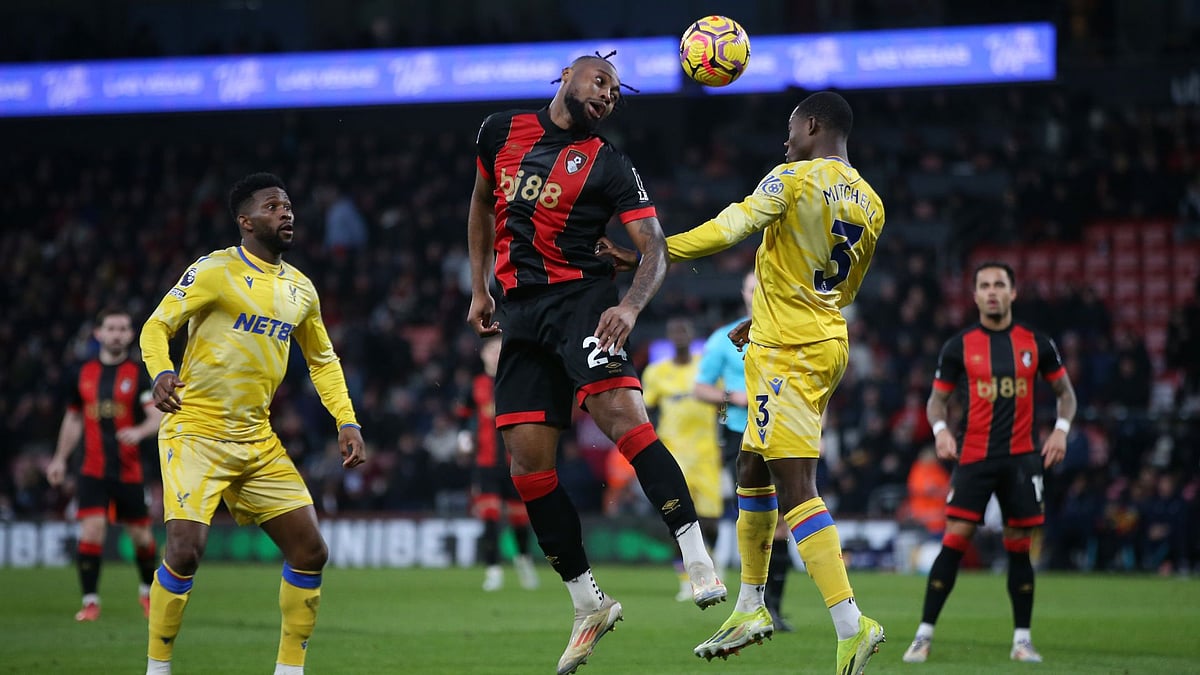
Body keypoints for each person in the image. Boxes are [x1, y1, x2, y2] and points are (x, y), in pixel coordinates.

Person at [599, 90, 887, 673]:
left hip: (790, 355)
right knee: (750, 466)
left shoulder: (793, 178)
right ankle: (752, 604)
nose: (785, 140)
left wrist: (653, 256)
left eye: (790, 129)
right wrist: (763, 318)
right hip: (816, 341)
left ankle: (852, 624)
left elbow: (734, 225)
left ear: (811, 125)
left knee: (796, 485)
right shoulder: (873, 203)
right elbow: (836, 292)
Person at [465, 53, 725, 675]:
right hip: (520, 317)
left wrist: (632, 308)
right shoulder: (499, 131)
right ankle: (587, 604)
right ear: (565, 78)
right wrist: (479, 289)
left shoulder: (610, 163)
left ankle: (696, 559)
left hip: (582, 302)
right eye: (600, 81)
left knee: (626, 423)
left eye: (616, 90)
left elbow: (654, 249)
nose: (608, 94)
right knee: (528, 468)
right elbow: (480, 205)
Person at [139, 172, 367, 675]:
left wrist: (345, 421)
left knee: (310, 551)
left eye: (287, 205)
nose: (286, 213)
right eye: (272, 207)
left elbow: (323, 360)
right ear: (246, 221)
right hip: (195, 429)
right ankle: (157, 669)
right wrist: (161, 370)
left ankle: (289, 671)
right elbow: (157, 326)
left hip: (256, 438)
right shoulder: (215, 271)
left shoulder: (300, 289)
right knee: (186, 550)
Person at [901, 261, 1077, 665]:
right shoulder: (959, 346)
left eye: (1000, 284)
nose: (993, 291)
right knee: (954, 539)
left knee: (1019, 548)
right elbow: (935, 400)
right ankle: (923, 635)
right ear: (975, 295)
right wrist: (941, 430)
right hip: (974, 457)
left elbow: (1065, 393)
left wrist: (1062, 429)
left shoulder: (1037, 343)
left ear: (1013, 293)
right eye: (985, 285)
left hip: (1022, 460)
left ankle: (1022, 640)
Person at [693, 270, 796, 633]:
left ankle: (774, 608)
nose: (757, 294)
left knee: (781, 522)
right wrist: (730, 397)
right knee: (754, 518)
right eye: (753, 289)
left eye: (764, 288)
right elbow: (701, 388)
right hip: (739, 434)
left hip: (782, 432)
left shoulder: (789, 332)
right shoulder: (725, 339)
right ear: (743, 293)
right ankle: (752, 602)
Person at [46, 306, 164, 622]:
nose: (117, 334)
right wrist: (59, 458)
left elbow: (157, 415)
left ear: (130, 334)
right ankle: (90, 602)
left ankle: (146, 593)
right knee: (92, 530)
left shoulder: (139, 374)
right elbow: (73, 418)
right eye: (111, 328)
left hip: (129, 469)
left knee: (141, 537)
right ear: (98, 334)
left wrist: (138, 431)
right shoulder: (81, 373)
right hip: (91, 468)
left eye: (123, 328)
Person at [642, 317, 723, 601]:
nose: (679, 336)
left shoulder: (706, 367)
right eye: (674, 331)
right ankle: (685, 578)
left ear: (692, 335)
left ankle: (707, 563)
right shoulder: (656, 372)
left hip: (706, 453)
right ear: (668, 337)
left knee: (710, 521)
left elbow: (722, 401)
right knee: (678, 516)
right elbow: (647, 409)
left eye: (684, 330)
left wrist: (724, 433)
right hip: (673, 453)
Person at [456, 335, 539, 591]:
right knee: (490, 518)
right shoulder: (476, 386)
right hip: (486, 464)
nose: (494, 354)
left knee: (519, 520)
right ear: (483, 355)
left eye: (499, 350)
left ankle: (523, 562)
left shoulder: (515, 381)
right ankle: (493, 571)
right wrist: (463, 437)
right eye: (491, 350)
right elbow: (463, 414)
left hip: (515, 462)